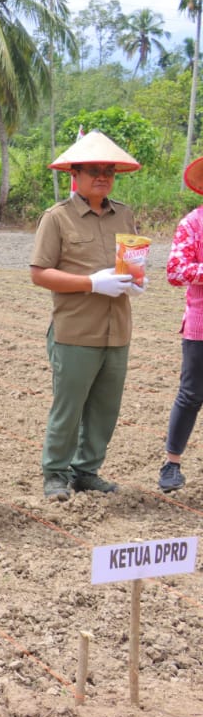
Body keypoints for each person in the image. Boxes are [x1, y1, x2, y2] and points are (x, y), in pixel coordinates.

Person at [30, 131, 143, 502]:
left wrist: (135, 281)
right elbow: (39, 273)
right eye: (94, 170)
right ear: (75, 174)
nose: (103, 177)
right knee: (69, 408)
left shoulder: (124, 214)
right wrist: (91, 283)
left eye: (109, 171)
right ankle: (55, 474)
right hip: (75, 331)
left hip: (117, 329)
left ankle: (87, 471)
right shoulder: (57, 218)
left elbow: (133, 261)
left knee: (105, 409)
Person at [158, 155, 203, 492]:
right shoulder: (192, 223)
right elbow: (175, 270)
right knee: (191, 395)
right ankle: (171, 465)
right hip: (200, 327)